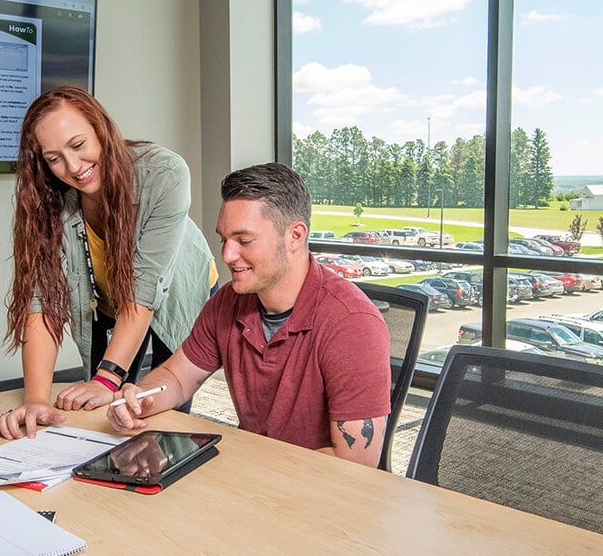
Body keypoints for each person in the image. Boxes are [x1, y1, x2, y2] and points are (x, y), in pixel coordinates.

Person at [107, 163, 391, 467]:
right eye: (224, 239)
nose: (227, 255)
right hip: (254, 480)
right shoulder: (227, 302)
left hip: (319, 496)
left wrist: (246, 465)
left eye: (244, 240)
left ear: (295, 236)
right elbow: (177, 378)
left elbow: (354, 464)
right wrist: (140, 399)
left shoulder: (352, 323)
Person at [0, 86, 216, 440]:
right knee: (98, 411)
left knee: (157, 415)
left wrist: (106, 377)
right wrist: (36, 400)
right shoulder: (48, 197)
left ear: (101, 129)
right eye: (54, 159)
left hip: (175, 290)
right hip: (109, 296)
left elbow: (145, 289)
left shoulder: (165, 173)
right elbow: (43, 302)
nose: (73, 167)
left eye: (78, 146)